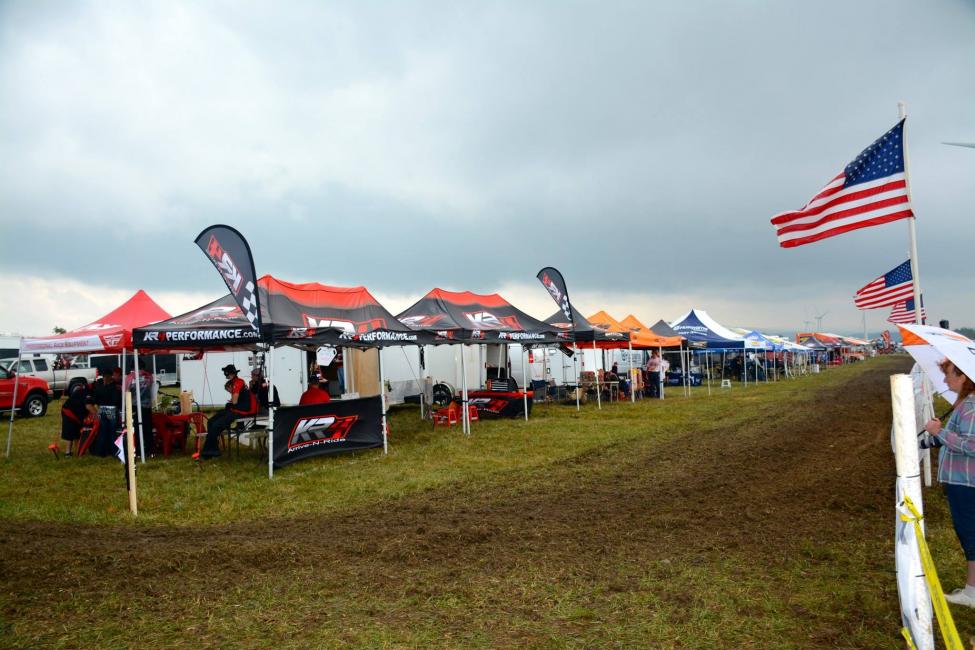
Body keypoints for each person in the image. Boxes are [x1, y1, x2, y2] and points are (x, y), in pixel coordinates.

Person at [923, 358, 975, 607]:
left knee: (970, 534)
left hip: (966, 481)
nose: (944, 379)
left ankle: (972, 592)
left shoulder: (972, 406)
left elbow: (972, 445)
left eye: (949, 374)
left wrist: (939, 433)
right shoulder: (965, 404)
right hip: (963, 479)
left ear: (963, 376)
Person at [199, 364, 257, 460]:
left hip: (243, 410)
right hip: (238, 408)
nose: (224, 375)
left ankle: (208, 453)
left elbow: (234, 401)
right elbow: (235, 401)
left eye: (225, 373)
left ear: (228, 373)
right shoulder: (235, 382)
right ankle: (213, 449)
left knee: (216, 425)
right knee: (211, 422)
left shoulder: (238, 382)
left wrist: (231, 403)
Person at [59, 378, 89, 457]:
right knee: (70, 434)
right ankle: (68, 452)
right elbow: (87, 406)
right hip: (69, 413)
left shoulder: (81, 392)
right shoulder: (85, 393)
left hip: (72, 413)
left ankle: (78, 451)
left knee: (76, 433)